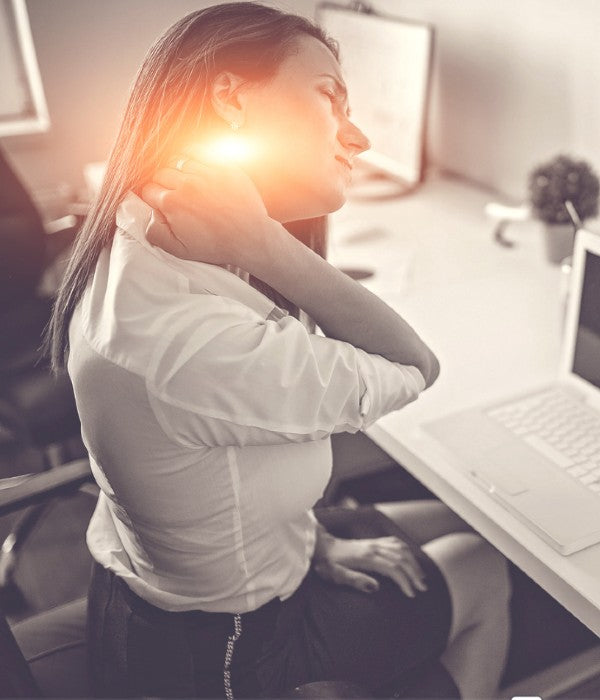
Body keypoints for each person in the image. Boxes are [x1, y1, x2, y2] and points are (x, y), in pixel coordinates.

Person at [47, 3, 511, 698]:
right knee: (482, 561)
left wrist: (321, 543)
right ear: (230, 99)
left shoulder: (145, 237)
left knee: (465, 517)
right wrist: (265, 243)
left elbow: (206, 471)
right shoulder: (188, 340)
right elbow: (415, 368)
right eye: (328, 97)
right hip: (226, 648)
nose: (354, 138)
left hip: (180, 569)